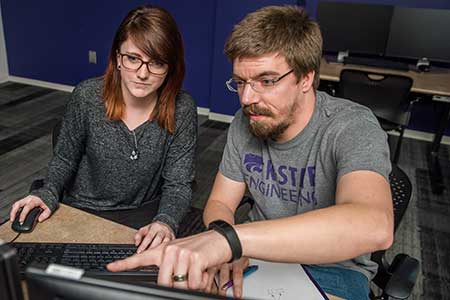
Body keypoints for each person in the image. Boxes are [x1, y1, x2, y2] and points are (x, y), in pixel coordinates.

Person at [108, 5, 393, 300]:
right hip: (255, 257)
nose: (247, 98)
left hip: (334, 271)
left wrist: (230, 240)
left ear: (306, 78)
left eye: (266, 81)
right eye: (241, 82)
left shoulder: (351, 126)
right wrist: (227, 239)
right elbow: (220, 201)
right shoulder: (247, 122)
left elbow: (374, 225)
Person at [9, 5, 197, 252]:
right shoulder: (87, 96)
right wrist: (48, 192)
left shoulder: (182, 108)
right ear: (117, 58)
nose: (142, 73)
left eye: (157, 62)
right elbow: (64, 158)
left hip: (141, 217)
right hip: (81, 209)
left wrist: (166, 222)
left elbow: (179, 183)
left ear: (170, 66)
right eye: (132, 58)